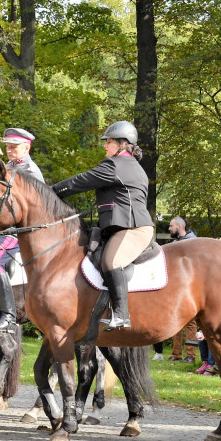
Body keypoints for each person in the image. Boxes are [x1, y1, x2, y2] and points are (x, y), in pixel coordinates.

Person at [51, 121, 154, 330]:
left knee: (111, 261)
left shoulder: (116, 165)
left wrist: (49, 192)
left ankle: (122, 314)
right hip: (123, 227)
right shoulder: (129, 166)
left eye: (108, 142)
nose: (105, 146)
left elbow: (80, 181)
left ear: (122, 145)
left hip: (133, 229)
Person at [0, 128, 46, 335]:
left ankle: (8, 315)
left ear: (27, 147)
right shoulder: (8, 168)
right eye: (8, 146)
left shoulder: (29, 172)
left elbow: (35, 209)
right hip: (3, 229)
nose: (9, 150)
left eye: (14, 147)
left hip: (18, 231)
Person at [167, 215, 197, 358]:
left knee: (190, 322)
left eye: (171, 226)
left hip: (190, 287)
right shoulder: (175, 243)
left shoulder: (193, 242)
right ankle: (176, 353)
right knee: (175, 320)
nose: (169, 228)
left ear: (179, 227)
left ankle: (190, 355)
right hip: (176, 287)